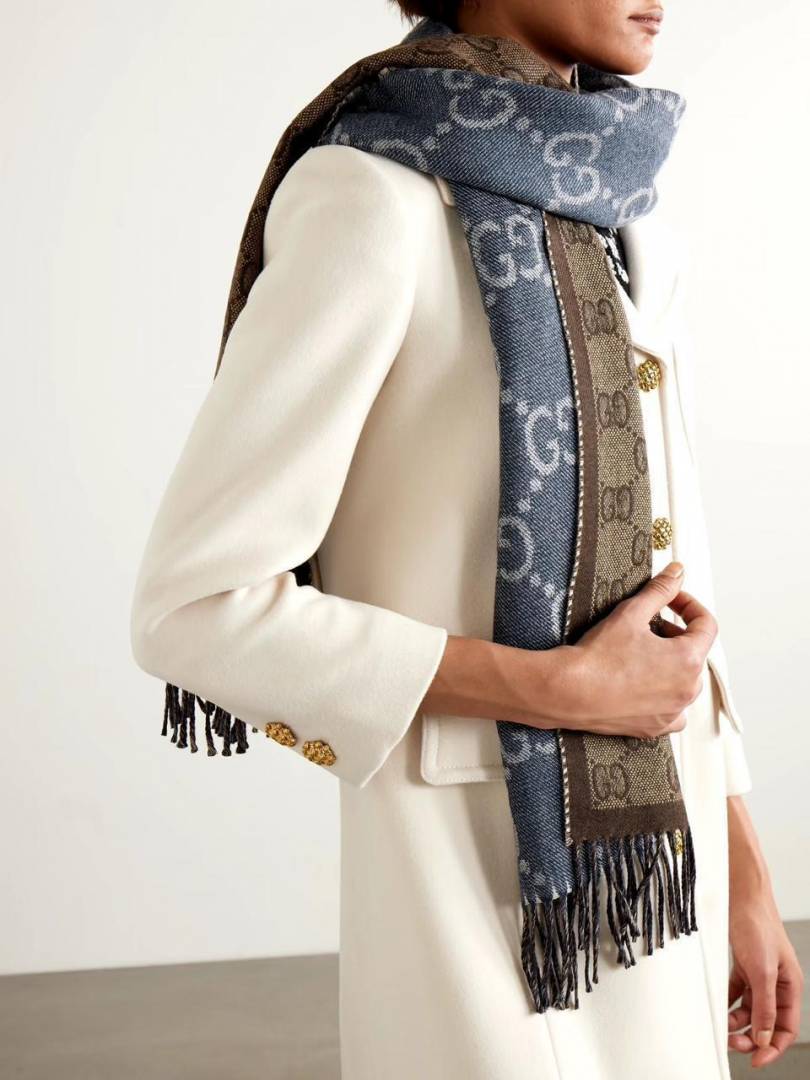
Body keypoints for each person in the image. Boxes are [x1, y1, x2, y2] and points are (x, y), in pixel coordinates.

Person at [129, 1, 803, 1076]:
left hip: (657, 882)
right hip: (474, 890)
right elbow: (193, 611)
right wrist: (554, 690)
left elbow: (675, 569)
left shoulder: (624, 212)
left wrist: (744, 872)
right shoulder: (370, 201)